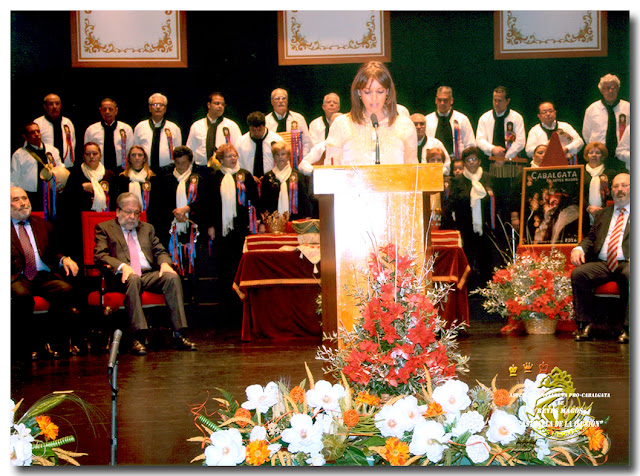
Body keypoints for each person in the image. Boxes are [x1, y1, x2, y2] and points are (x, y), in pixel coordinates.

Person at [94, 192, 197, 355]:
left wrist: (164, 263)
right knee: (133, 278)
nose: (132, 217)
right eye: (128, 212)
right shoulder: (105, 228)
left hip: (147, 274)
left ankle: (178, 334)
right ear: (118, 211)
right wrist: (122, 266)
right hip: (121, 277)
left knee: (171, 277)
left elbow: (160, 250)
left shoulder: (147, 228)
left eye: (136, 213)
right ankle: (137, 336)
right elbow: (100, 255)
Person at [11, 186, 79, 361]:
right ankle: (26, 347)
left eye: (24, 198)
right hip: (17, 276)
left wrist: (64, 258)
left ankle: (57, 344)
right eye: (16, 200)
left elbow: (53, 251)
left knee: (65, 289)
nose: (23, 203)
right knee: (21, 295)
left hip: (42, 275)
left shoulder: (41, 224)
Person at [571, 173, 630, 343]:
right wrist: (579, 248)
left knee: (631, 273)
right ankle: (586, 325)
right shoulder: (603, 214)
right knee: (579, 274)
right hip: (603, 262)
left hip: (627, 262)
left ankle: (629, 328)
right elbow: (590, 238)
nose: (620, 190)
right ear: (611, 190)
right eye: (616, 186)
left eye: (624, 186)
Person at [204, 143, 259, 321]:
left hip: (241, 228)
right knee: (224, 268)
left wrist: (254, 224)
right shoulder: (214, 177)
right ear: (220, 160)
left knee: (240, 266)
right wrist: (210, 226)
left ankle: (242, 307)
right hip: (221, 230)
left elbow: (254, 201)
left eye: (235, 155)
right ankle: (226, 308)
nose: (233, 159)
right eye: (229, 156)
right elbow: (209, 203)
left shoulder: (245, 175)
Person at [325, 61, 417, 165]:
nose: (374, 98)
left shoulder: (405, 125)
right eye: (367, 92)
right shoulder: (341, 124)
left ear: (387, 91)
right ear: (359, 92)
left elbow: (414, 173)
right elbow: (330, 170)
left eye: (380, 91)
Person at [442, 146, 499, 290]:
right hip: (465, 228)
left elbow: (498, 203)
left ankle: (487, 292)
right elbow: (450, 206)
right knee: (466, 262)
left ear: (479, 161)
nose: (472, 163)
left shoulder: (489, 178)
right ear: (464, 163)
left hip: (486, 228)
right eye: (468, 160)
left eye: (474, 159)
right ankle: (468, 293)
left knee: (486, 261)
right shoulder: (457, 181)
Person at [147, 146, 204, 251]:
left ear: (190, 162)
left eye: (184, 162)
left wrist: (187, 209)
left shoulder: (198, 179)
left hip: (192, 225)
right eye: (177, 163)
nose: (181, 166)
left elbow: (203, 201)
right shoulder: (164, 179)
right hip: (169, 226)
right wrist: (176, 215)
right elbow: (158, 205)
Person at [476, 86, 526, 202]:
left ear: (507, 101)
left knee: (510, 197)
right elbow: (479, 139)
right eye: (494, 100)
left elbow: (520, 142)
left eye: (500, 100)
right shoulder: (485, 117)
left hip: (510, 164)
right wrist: (493, 149)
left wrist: (505, 156)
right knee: (491, 197)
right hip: (489, 163)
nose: (497, 103)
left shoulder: (516, 118)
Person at [11, 121, 63, 213]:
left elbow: (61, 170)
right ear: (25, 137)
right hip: (30, 196)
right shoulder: (19, 154)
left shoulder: (52, 151)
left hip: (52, 195)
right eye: (32, 132)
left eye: (38, 131)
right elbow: (13, 178)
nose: (36, 134)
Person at [582, 74, 630, 171]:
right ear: (601, 90)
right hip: (600, 157)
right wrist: (598, 151)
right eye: (607, 88)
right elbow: (586, 134)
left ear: (618, 89)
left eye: (613, 88)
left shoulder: (628, 108)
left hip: (623, 157)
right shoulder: (592, 109)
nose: (611, 91)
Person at [186, 92, 243, 167]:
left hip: (224, 168)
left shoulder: (231, 126)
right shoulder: (196, 126)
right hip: (201, 169)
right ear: (209, 105)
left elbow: (238, 150)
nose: (220, 106)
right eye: (217, 103)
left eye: (222, 104)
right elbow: (190, 151)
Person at [259, 141, 311, 221]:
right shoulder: (267, 177)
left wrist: (307, 217)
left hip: (295, 219)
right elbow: (263, 201)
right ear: (273, 157)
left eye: (283, 154)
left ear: (288, 156)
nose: (280, 157)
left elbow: (304, 198)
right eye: (277, 154)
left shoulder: (298, 175)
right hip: (273, 221)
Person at [133, 93, 182, 172]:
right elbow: (134, 151)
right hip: (145, 170)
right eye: (155, 104)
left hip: (167, 171)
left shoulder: (174, 128)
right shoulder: (140, 127)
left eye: (161, 105)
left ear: (165, 109)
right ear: (150, 108)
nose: (158, 107)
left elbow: (178, 153)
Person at [425, 86, 476, 161]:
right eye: (439, 100)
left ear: (451, 100)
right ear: (436, 100)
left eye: (445, 100)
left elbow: (470, 145)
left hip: (456, 162)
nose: (442, 103)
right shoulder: (427, 120)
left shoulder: (462, 119)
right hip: (434, 162)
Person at [83, 98, 134, 172]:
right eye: (104, 109)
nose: (107, 112)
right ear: (100, 111)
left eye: (110, 109)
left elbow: (130, 152)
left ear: (116, 111)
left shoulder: (126, 129)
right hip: (98, 170)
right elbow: (87, 154)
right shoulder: (91, 130)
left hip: (121, 170)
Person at [236, 111, 283, 182]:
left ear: (264, 126)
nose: (257, 133)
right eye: (253, 130)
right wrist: (248, 176)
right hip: (248, 181)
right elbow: (238, 164)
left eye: (260, 130)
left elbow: (283, 163)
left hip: (272, 181)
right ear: (249, 127)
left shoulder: (277, 140)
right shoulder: (241, 142)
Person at [33, 93, 77, 168]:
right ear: (45, 106)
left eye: (57, 104)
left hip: (67, 167)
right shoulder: (38, 124)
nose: (54, 107)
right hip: (46, 168)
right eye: (51, 104)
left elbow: (72, 144)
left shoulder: (67, 122)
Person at [265, 88, 312, 157]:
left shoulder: (298, 119)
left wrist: (303, 160)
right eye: (277, 98)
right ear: (272, 101)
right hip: (273, 161)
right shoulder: (266, 121)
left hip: (296, 161)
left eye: (283, 98)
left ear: (287, 101)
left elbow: (306, 142)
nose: (281, 101)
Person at [581, 142, 617, 231]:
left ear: (603, 156)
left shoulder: (610, 174)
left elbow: (613, 195)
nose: (594, 155)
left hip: (606, 215)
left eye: (597, 153)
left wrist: (602, 210)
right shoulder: (580, 173)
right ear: (586, 156)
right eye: (591, 152)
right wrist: (588, 208)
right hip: (584, 216)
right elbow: (576, 195)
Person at [112, 145, 157, 213]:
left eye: (140, 155)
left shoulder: (152, 178)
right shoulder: (122, 178)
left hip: (149, 217)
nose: (137, 158)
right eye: (133, 155)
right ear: (129, 158)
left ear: (144, 158)